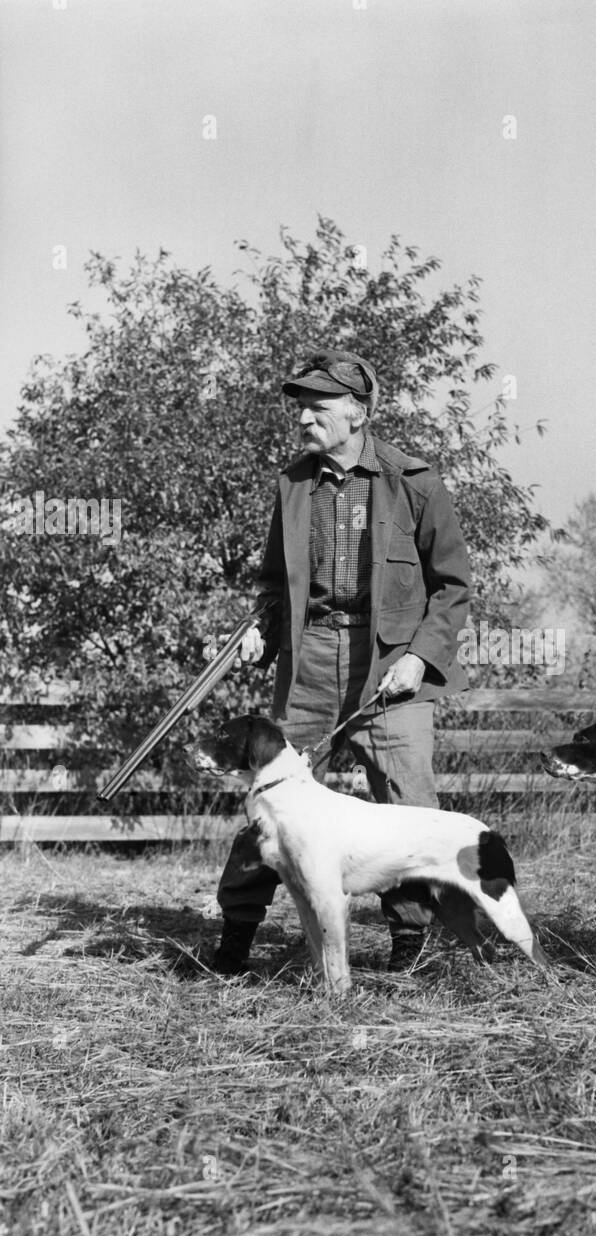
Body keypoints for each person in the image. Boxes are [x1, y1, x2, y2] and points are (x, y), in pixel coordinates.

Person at [212, 349, 471, 975]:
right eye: (300, 406)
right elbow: (275, 584)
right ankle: (233, 945)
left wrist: (419, 659)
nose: (303, 418)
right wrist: (262, 629)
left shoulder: (415, 481)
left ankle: (408, 951)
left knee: (407, 811)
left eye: (317, 407)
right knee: (271, 803)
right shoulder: (293, 484)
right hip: (309, 661)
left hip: (390, 664)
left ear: (358, 412)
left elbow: (453, 585)